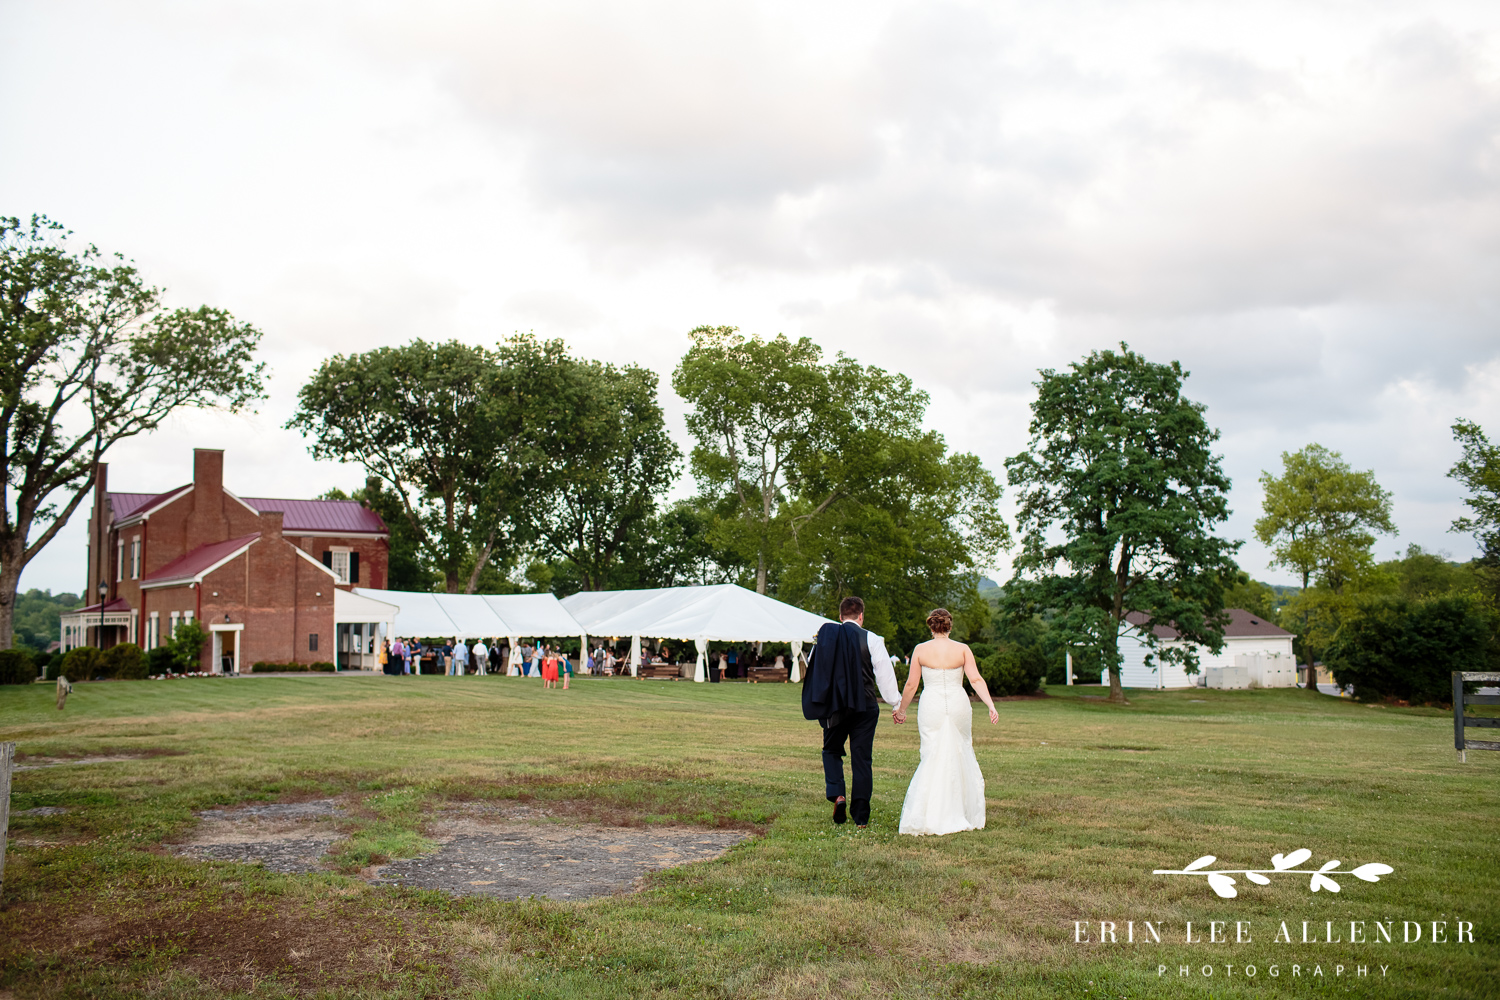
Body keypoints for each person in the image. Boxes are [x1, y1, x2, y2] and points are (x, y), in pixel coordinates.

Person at [893, 608, 998, 836]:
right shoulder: (962, 649)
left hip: (932, 704)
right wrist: (990, 705)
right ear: (949, 626)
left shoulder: (921, 650)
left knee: (932, 753)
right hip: (958, 703)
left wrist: (901, 710)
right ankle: (960, 810)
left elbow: (911, 685)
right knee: (960, 751)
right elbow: (975, 679)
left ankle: (933, 812)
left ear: (931, 626)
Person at [802, 595, 900, 829]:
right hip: (865, 705)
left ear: (840, 616)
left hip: (835, 705)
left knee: (831, 750)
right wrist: (895, 702)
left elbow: (813, 666)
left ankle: (838, 794)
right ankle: (861, 817)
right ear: (861, 616)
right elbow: (884, 675)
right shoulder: (872, 639)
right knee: (862, 759)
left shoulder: (825, 639)